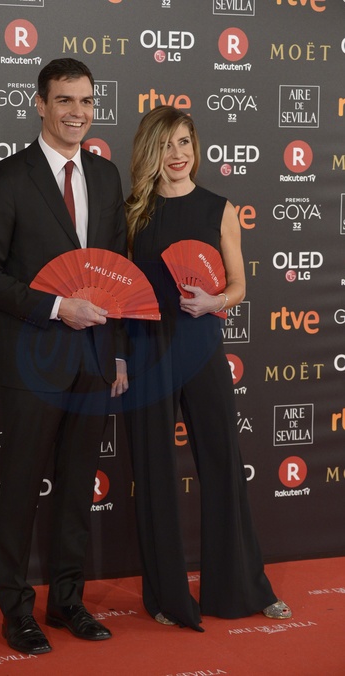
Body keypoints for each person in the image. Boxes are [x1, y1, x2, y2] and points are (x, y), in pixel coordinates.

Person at [0, 58, 128, 655]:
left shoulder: (106, 176)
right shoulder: (8, 177)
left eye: (86, 101)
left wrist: (116, 356)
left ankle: (66, 601)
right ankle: (16, 611)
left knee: (76, 489)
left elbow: (116, 273)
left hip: (93, 360)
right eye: (64, 100)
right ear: (40, 104)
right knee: (18, 492)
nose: (77, 113)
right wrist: (57, 307)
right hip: (32, 360)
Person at [124, 105, 291, 631]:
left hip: (201, 345)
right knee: (155, 471)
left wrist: (215, 301)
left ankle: (242, 587)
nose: (177, 154)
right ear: (150, 151)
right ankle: (167, 597)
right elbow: (119, 290)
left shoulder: (220, 208)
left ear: (195, 148)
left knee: (223, 463)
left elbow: (239, 285)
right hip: (147, 349)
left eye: (184, 143)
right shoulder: (132, 212)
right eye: (166, 145)